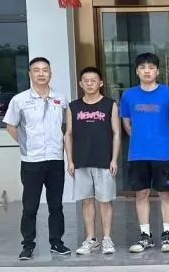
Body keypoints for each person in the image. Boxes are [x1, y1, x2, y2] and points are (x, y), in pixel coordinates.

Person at [3, 57, 70, 260]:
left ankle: (57, 243)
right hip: (31, 161)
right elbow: (11, 126)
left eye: (45, 70)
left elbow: (66, 126)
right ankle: (28, 245)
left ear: (51, 73)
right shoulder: (20, 100)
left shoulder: (60, 99)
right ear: (30, 74)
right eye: (37, 70)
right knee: (30, 206)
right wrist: (25, 144)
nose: (41, 74)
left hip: (55, 159)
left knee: (56, 205)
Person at [120, 53, 169, 254]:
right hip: (138, 153)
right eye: (143, 67)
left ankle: (167, 234)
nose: (147, 71)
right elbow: (127, 123)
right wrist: (142, 139)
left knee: (165, 193)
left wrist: (162, 140)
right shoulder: (128, 95)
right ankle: (145, 235)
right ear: (137, 71)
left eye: (151, 67)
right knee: (142, 193)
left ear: (157, 71)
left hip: (163, 153)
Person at [65, 67, 121, 255]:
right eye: (86, 81)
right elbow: (68, 134)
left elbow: (116, 133)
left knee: (105, 200)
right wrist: (70, 160)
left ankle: (107, 238)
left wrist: (114, 159)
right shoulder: (73, 106)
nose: (89, 83)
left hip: (104, 160)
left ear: (101, 83)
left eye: (93, 80)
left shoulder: (110, 105)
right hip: (81, 160)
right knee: (86, 201)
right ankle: (91, 238)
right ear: (81, 84)